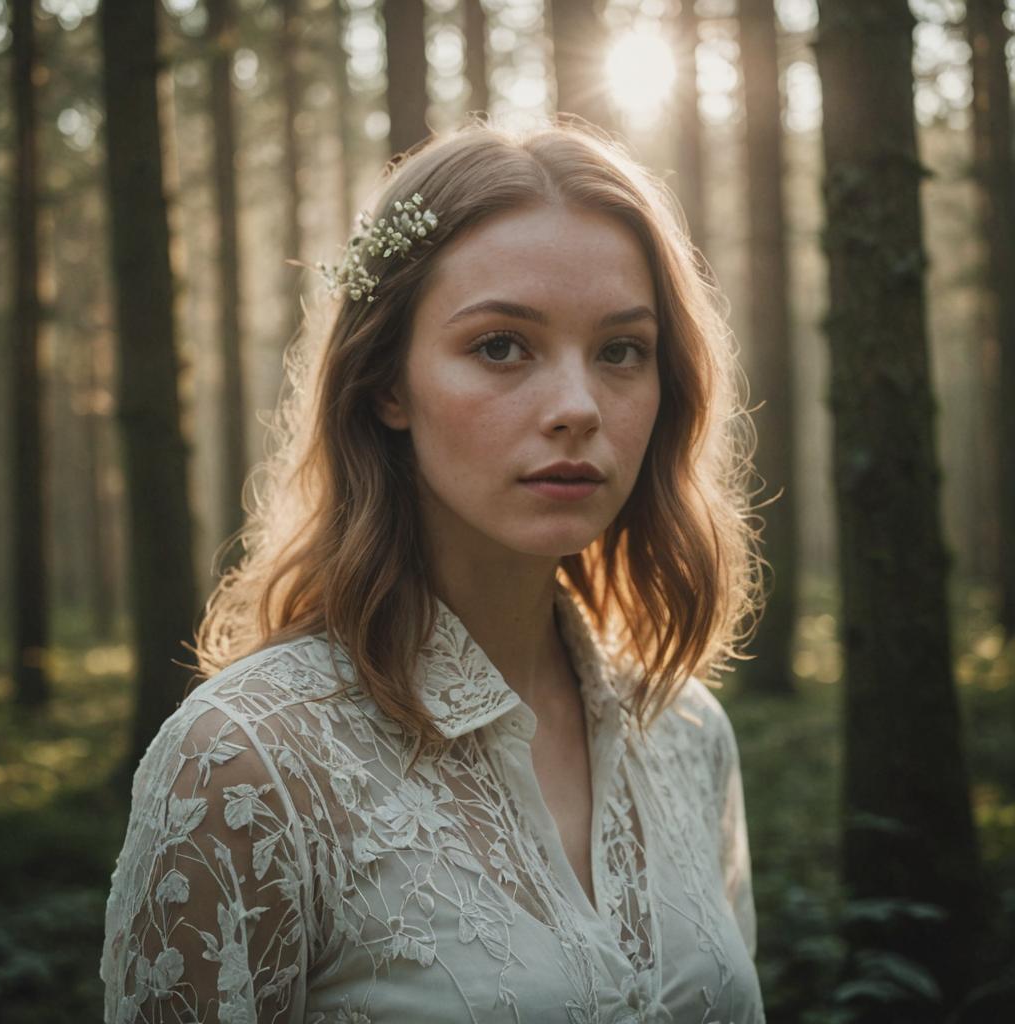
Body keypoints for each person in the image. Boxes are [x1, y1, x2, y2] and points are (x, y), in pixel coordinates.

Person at [100, 120, 766, 1024]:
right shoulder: (247, 762)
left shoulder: (686, 729)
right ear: (386, 384)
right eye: (501, 346)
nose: (577, 407)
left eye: (621, 351)